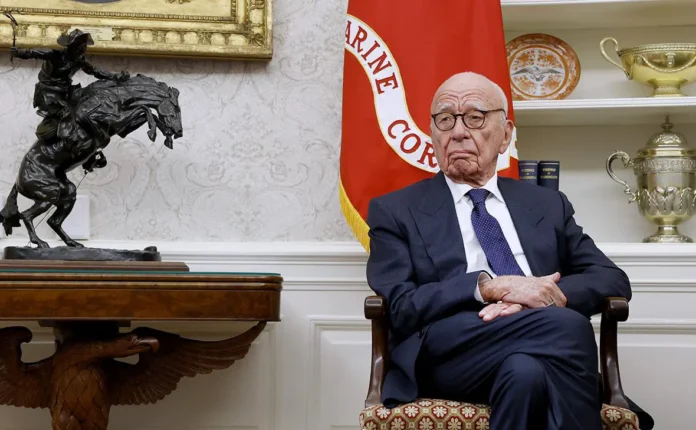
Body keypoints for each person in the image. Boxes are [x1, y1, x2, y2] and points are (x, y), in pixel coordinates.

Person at [365, 72, 653, 430]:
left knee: (525, 375)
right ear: (433, 133)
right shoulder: (395, 210)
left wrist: (537, 296)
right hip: (448, 351)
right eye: (445, 119)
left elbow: (611, 278)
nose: (458, 132)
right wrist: (489, 287)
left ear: (505, 135)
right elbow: (400, 305)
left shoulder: (546, 204)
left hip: (534, 340)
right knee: (568, 326)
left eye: (475, 117)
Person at [11, 29, 129, 170]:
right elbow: (34, 53)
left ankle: (89, 149)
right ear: (71, 46)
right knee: (68, 115)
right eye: (80, 47)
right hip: (49, 94)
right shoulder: (55, 55)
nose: (82, 51)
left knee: (88, 105)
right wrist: (19, 52)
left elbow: (95, 71)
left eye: (84, 48)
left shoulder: (78, 60)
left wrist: (115, 77)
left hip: (66, 92)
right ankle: (72, 146)